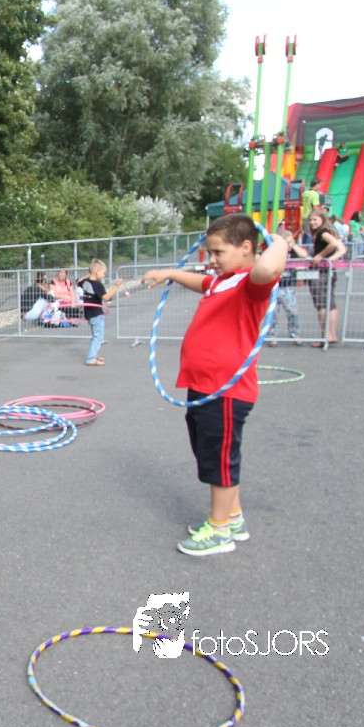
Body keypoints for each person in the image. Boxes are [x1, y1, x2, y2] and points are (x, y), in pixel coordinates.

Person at [141, 213, 288, 556]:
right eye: (210, 252)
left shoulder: (251, 284)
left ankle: (220, 530)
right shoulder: (224, 281)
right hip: (203, 386)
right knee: (211, 454)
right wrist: (170, 273)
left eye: (219, 252)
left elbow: (268, 269)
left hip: (225, 390)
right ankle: (232, 517)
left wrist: (281, 240)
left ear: (247, 248)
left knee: (220, 460)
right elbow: (201, 282)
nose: (212, 259)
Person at [305, 210, 348, 346]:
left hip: (320, 273)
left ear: (322, 219)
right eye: (310, 220)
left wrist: (320, 256)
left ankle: (326, 336)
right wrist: (331, 260)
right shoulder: (329, 232)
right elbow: (342, 249)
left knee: (322, 304)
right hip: (329, 270)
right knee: (330, 303)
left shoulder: (322, 233)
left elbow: (334, 244)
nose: (312, 223)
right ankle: (332, 334)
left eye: (315, 219)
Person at [266, 223, 307, 346]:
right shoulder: (274, 252)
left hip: (287, 287)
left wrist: (293, 245)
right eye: (287, 242)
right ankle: (272, 335)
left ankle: (295, 333)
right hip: (274, 287)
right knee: (273, 313)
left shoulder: (293, 252)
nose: (289, 245)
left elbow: (304, 255)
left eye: (291, 242)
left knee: (292, 311)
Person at [78, 259, 123, 366]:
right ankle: (91, 358)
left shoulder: (85, 282)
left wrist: (89, 274)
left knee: (96, 336)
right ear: (97, 272)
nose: (104, 275)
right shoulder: (97, 285)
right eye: (103, 273)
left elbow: (78, 281)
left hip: (89, 313)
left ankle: (93, 355)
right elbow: (106, 298)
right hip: (96, 313)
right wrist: (116, 286)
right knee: (98, 337)